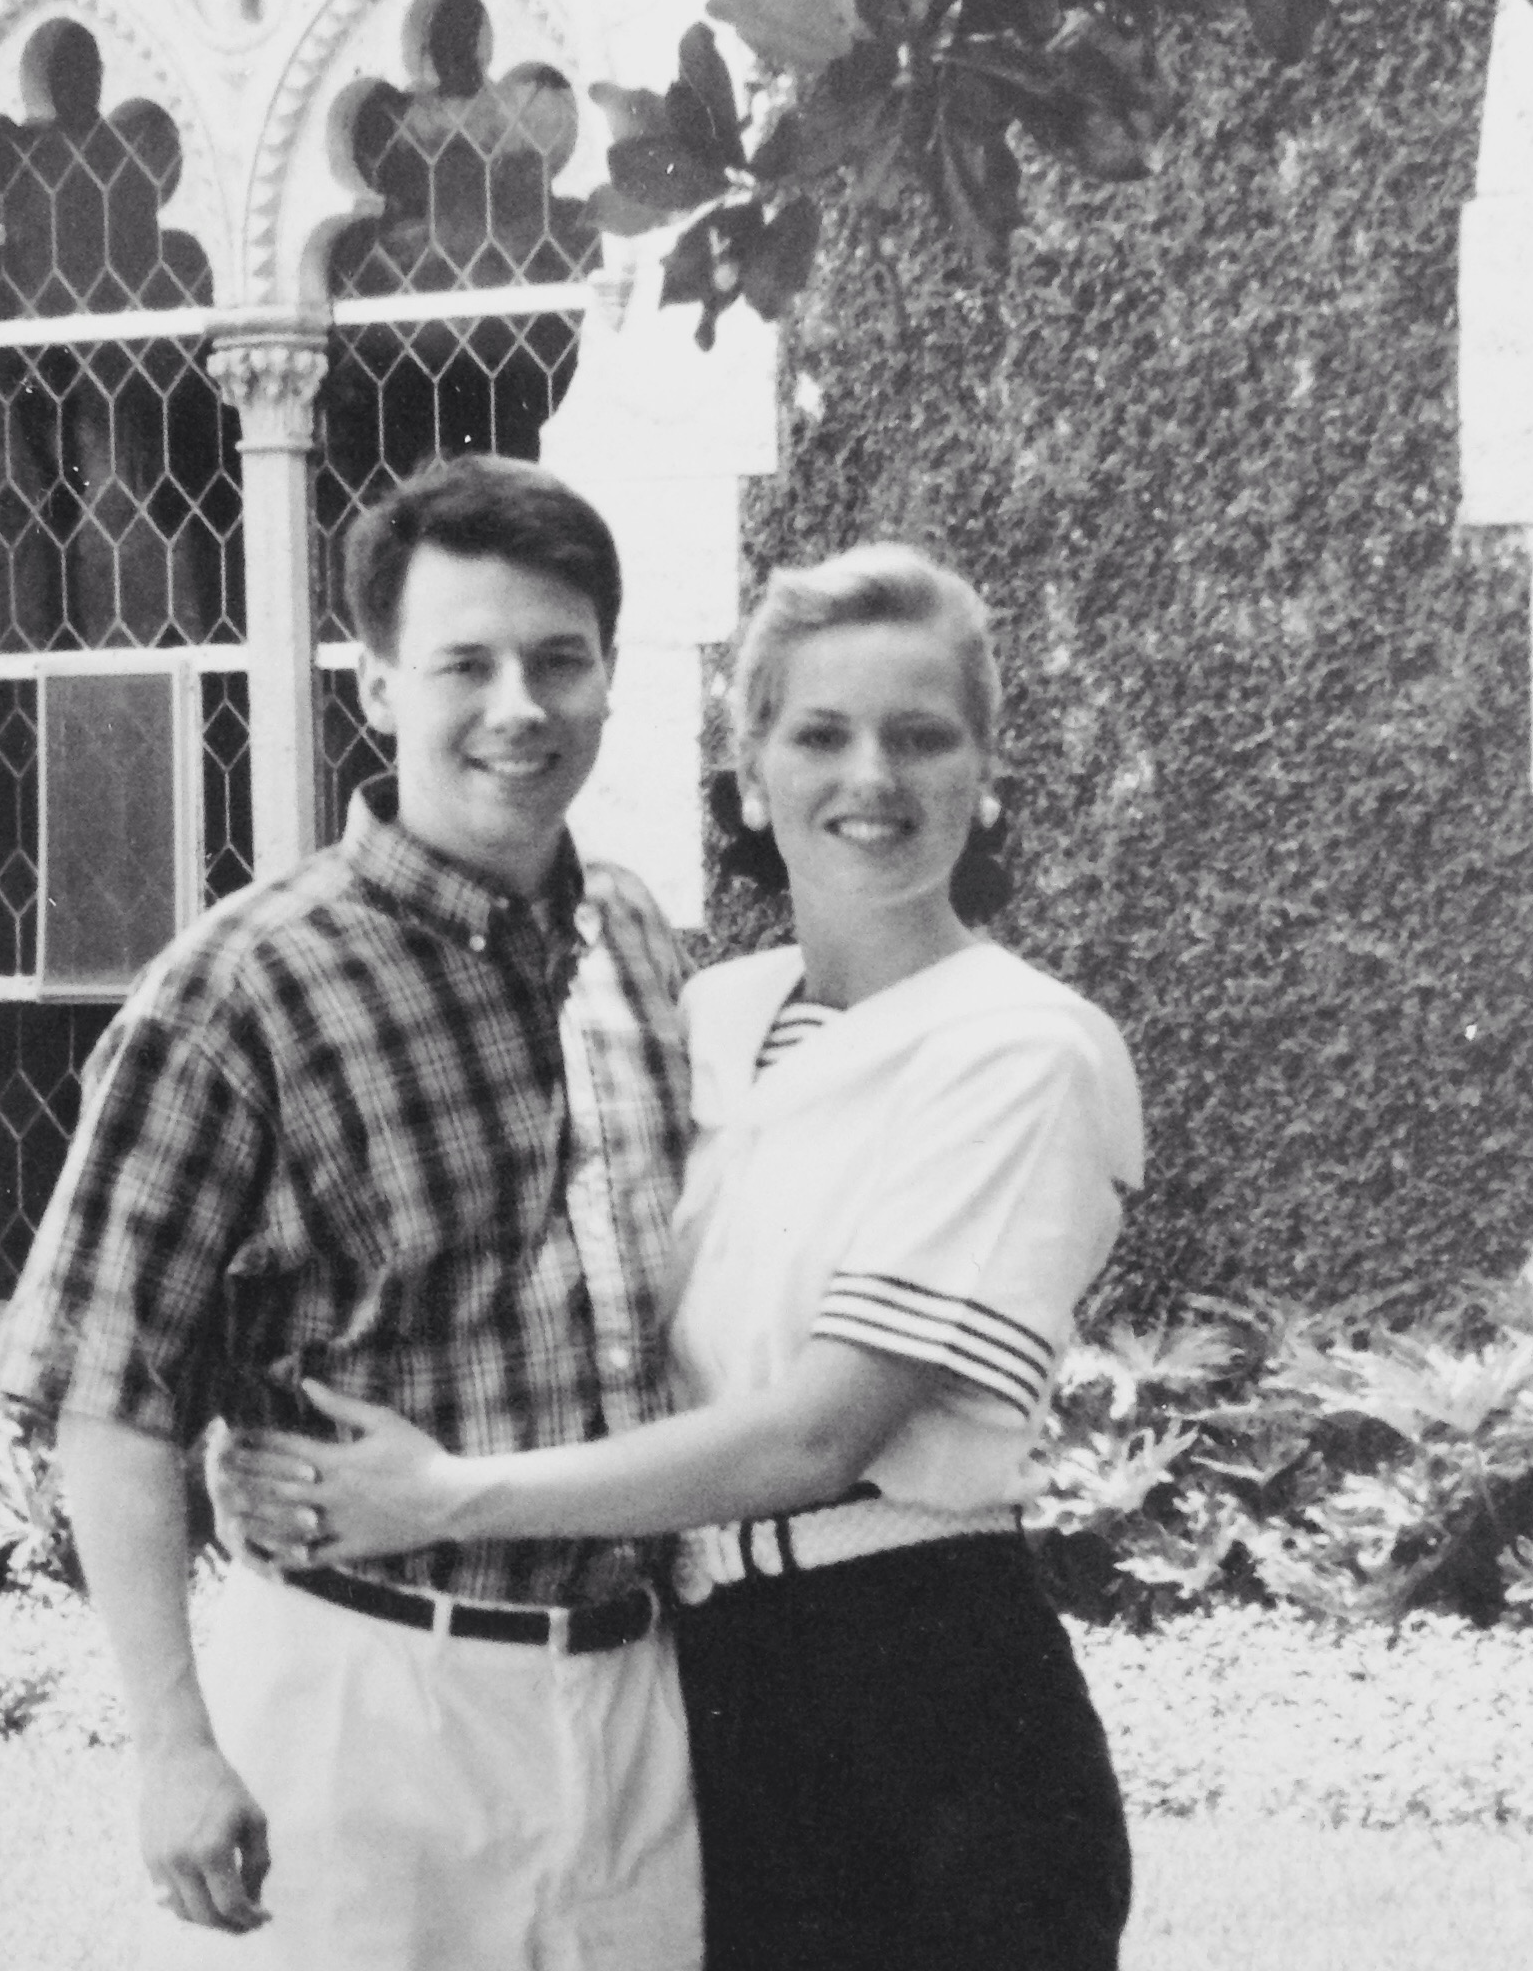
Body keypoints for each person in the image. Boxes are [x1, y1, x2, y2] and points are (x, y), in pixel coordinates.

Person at [213, 543, 1144, 1971]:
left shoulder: (1022, 1048)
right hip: (701, 1683)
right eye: (819, 734)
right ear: (750, 770)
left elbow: (820, 1435)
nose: (872, 778)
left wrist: (442, 1495)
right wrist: (277, 1444)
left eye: (921, 736)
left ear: (988, 770)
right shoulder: (705, 1014)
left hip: (924, 1697)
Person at [0, 456, 703, 1970]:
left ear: (609, 674)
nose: (519, 707)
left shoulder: (640, 944)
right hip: (369, 1703)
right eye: (465, 664)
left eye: (560, 659)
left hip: (639, 1710)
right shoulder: (241, 988)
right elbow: (111, 1395)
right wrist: (174, 1747)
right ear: (377, 683)